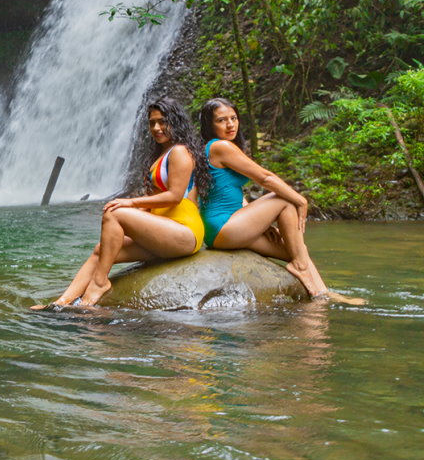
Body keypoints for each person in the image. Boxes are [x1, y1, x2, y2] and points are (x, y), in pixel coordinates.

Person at [32, 97, 210, 309]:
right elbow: (151, 205)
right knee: (103, 249)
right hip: (164, 232)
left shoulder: (179, 151)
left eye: (162, 121)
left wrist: (130, 203)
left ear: (176, 121)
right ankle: (62, 302)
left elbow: (174, 196)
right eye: (152, 123)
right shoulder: (161, 155)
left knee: (115, 212)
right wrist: (125, 230)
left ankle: (100, 282)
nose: (156, 127)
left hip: (184, 232)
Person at [198, 97, 364, 304]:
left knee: (296, 249)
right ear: (209, 125)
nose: (230, 124)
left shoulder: (220, 147)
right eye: (222, 120)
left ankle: (322, 294)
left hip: (229, 227)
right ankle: (301, 268)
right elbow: (264, 177)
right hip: (223, 226)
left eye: (234, 118)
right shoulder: (219, 146)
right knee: (283, 199)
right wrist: (301, 200)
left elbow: (231, 192)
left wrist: (260, 223)